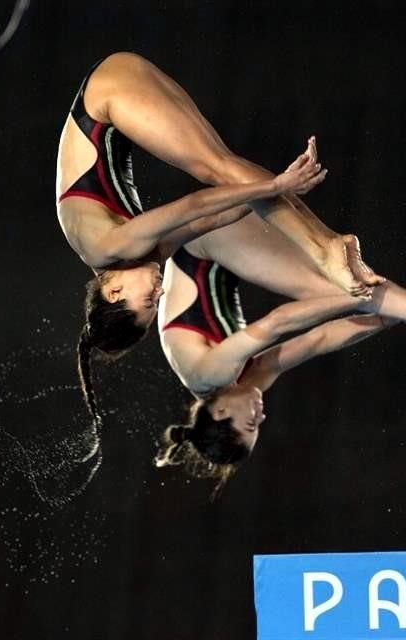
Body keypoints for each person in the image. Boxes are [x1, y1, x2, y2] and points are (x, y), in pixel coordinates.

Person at [58, 53, 384, 424]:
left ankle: (327, 248)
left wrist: (274, 186)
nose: (160, 293)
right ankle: (329, 244)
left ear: (112, 291)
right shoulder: (138, 257)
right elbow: (214, 218)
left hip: (104, 97)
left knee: (213, 167)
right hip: (118, 86)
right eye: (157, 301)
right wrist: (267, 194)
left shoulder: (109, 248)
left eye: (148, 299)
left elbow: (194, 203)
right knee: (227, 170)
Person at [153, 247, 406, 491]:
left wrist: (358, 298)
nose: (261, 417)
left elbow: (280, 322)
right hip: (225, 252)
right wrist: (384, 319)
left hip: (202, 245)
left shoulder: (207, 377)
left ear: (219, 412)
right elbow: (317, 341)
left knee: (333, 287)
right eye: (258, 428)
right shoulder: (244, 385)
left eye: (250, 423)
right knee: (338, 284)